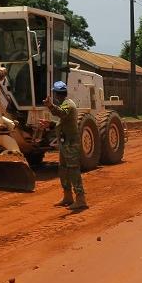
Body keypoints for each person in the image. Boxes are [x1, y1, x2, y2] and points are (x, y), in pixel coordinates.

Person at [44, 80, 87, 211]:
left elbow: (62, 113)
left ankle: (80, 199)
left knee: (73, 170)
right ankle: (68, 196)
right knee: (63, 169)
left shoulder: (68, 104)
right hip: (65, 143)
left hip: (70, 143)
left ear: (57, 94)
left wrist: (50, 106)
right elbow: (62, 122)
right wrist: (50, 124)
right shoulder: (65, 104)